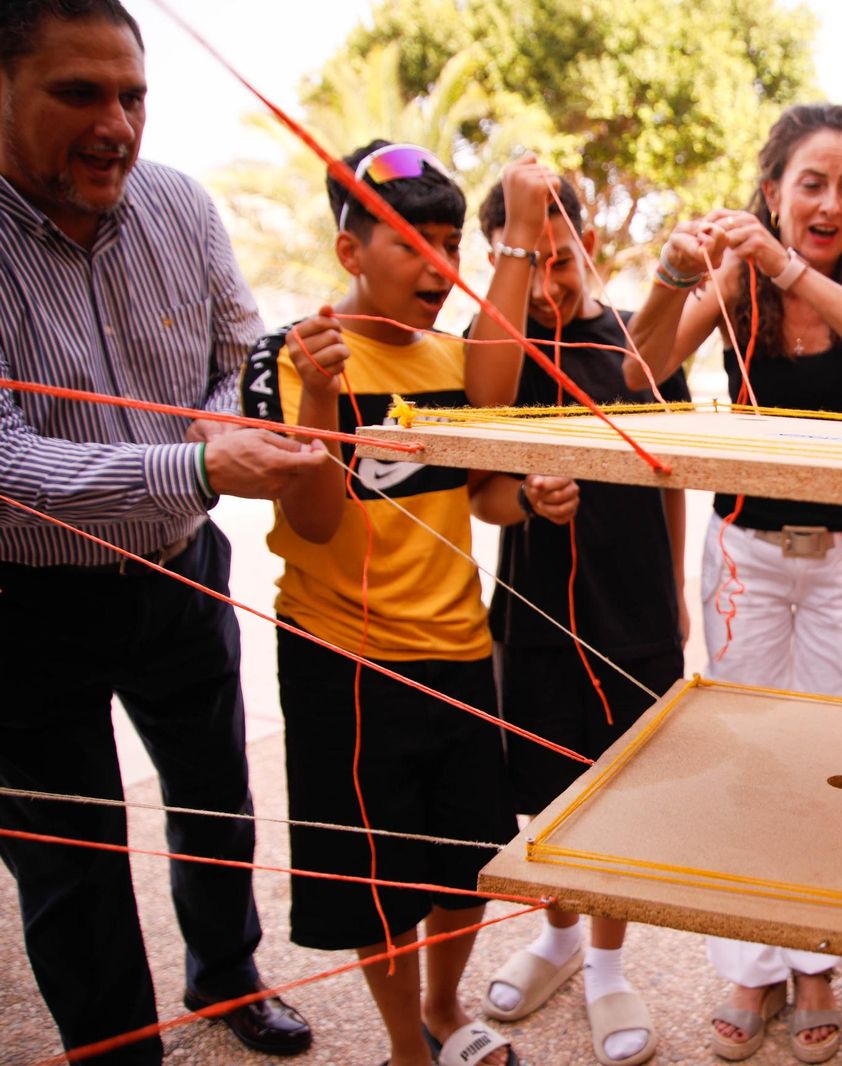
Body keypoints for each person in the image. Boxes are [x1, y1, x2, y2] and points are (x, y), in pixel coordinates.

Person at [0, 2, 321, 1060]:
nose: (116, 126)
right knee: (70, 858)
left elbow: (239, 353)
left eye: (132, 95)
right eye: (78, 94)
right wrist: (195, 462)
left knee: (218, 795)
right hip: (24, 602)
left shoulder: (180, 203)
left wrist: (228, 417)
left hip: (183, 569)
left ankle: (227, 977)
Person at [625, 101, 842, 1063]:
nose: (831, 203)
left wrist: (792, 268)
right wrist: (677, 273)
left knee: (831, 755)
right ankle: (750, 966)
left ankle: (816, 962)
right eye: (812, 183)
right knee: (750, 753)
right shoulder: (737, 271)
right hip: (746, 552)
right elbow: (644, 367)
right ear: (772, 189)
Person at [252, 139, 519, 1066]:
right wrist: (324, 397)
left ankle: (444, 1007)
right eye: (412, 243)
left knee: (471, 867)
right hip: (346, 657)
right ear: (349, 251)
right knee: (380, 884)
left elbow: (485, 469)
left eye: (450, 244)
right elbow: (316, 518)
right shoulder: (297, 356)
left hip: (459, 644)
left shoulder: (456, 356)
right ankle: (406, 1044)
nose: (439, 266)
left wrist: (533, 494)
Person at [467, 161, 691, 1066]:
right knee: (548, 794)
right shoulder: (496, 349)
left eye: (561, 259)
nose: (546, 284)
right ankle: (557, 935)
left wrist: (676, 591)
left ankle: (606, 964)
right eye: (528, 259)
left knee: (621, 800)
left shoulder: (641, 345)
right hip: (532, 617)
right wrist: (527, 497)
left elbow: (674, 479)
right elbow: (480, 490)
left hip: (634, 612)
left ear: (590, 247)